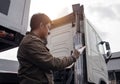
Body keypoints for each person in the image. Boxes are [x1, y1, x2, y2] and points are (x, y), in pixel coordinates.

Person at [17, 13, 85, 84]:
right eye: (48, 27)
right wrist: (73, 57)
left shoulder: (33, 41)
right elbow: (53, 63)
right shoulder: (31, 42)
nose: (49, 31)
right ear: (41, 25)